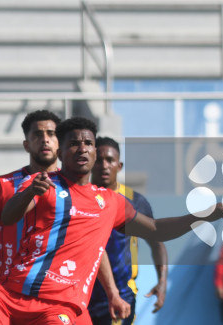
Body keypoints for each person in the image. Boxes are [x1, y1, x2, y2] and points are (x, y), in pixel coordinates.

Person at [0, 116, 223, 325]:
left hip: (59, 306)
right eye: (73, 143)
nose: (82, 148)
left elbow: (157, 231)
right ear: (60, 152)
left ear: (96, 152)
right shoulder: (42, 184)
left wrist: (204, 215)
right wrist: (29, 192)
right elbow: (8, 217)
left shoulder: (110, 202)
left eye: (88, 143)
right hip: (9, 294)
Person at [0, 110, 128, 324]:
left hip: (58, 302)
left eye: (51, 134)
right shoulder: (3, 186)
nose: (45, 140)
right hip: (8, 295)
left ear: (59, 143)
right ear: (26, 144)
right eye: (37, 135)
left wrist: (112, 292)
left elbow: (96, 247)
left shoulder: (81, 191)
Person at [89, 136, 169, 325]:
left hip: (122, 295)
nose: (104, 165)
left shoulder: (135, 201)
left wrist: (162, 282)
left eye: (110, 160)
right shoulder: (78, 196)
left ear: (120, 165)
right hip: (83, 294)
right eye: (99, 160)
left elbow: (157, 244)